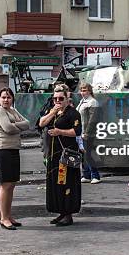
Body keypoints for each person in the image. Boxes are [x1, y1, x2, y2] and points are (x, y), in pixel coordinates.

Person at [39, 84, 82, 227]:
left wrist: (60, 132)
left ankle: (68, 213)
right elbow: (41, 123)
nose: (57, 101)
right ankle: (60, 212)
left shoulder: (73, 113)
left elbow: (77, 131)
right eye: (55, 98)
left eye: (60, 98)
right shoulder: (52, 111)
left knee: (66, 182)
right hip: (53, 155)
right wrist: (52, 112)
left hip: (66, 155)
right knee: (55, 183)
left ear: (66, 98)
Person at [0, 87, 30, 230]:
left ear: (12, 98)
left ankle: (8, 215)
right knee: (5, 185)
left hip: (14, 150)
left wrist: (16, 126)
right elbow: (7, 128)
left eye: (8, 97)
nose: (6, 100)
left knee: (12, 185)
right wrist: (17, 126)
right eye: (3, 97)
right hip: (3, 151)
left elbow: (27, 123)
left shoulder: (13, 110)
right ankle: (3, 218)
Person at [76, 82, 101, 184]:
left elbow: (93, 120)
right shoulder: (82, 101)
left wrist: (87, 133)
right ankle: (86, 175)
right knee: (83, 155)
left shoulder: (92, 102)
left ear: (89, 91)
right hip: (80, 133)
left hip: (88, 134)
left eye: (85, 90)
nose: (82, 92)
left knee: (89, 155)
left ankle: (95, 176)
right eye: (81, 90)